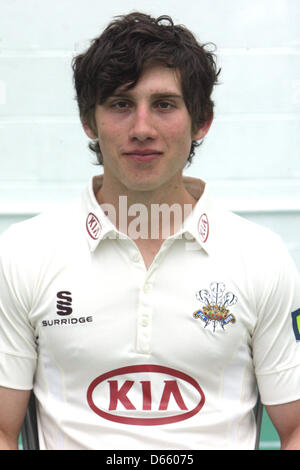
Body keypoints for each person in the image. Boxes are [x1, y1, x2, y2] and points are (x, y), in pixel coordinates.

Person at [0, 11, 300, 451]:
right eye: (121, 104)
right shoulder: (22, 253)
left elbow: (295, 429)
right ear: (89, 121)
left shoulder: (262, 257)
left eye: (164, 105)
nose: (142, 129)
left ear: (201, 122)